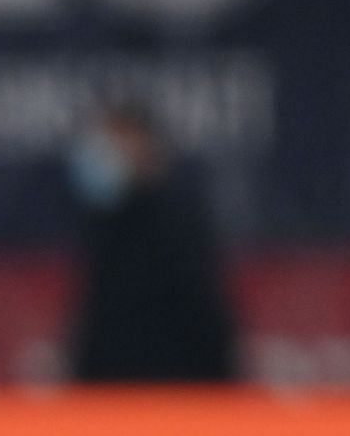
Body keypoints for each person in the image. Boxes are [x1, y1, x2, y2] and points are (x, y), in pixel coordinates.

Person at [66, 102, 240, 384]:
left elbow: (205, 320)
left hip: (174, 395)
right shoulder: (104, 223)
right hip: (111, 399)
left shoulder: (178, 221)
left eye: (115, 142)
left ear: (144, 145)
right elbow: (97, 324)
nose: (102, 153)